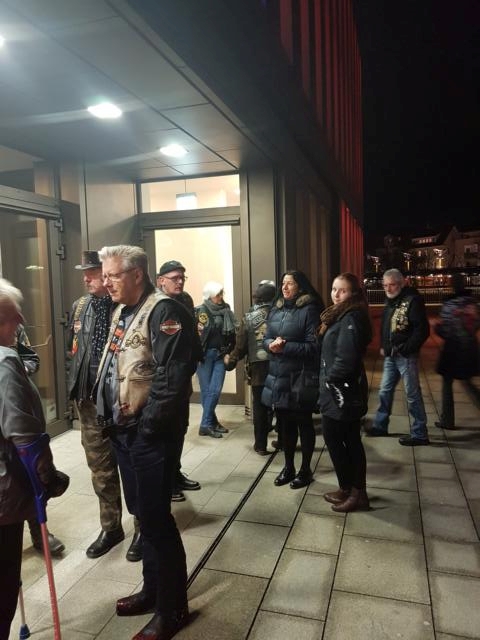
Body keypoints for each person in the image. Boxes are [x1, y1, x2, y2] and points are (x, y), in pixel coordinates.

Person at [96, 245, 197, 640]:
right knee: (143, 515)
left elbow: (173, 376)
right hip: (123, 431)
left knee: (157, 520)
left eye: (113, 275)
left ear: (137, 274)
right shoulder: (123, 310)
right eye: (105, 275)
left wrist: (148, 428)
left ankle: (173, 610)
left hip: (148, 434)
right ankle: (152, 590)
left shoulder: (164, 310)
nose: (106, 282)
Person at [0, 278, 69, 640]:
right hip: (5, 494)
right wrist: (48, 479)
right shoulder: (4, 364)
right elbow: (25, 439)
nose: (23, 320)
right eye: (14, 316)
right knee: (4, 583)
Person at [67, 251, 142, 561]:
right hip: (89, 402)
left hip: (121, 401)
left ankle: (143, 527)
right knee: (100, 467)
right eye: (85, 272)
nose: (87, 278)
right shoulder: (80, 306)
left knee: (134, 466)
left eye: (94, 272)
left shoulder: (129, 306)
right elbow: (73, 350)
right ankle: (111, 527)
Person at [262, 270, 324, 488]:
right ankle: (288, 467)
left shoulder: (310, 309)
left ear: (300, 286)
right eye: (283, 283)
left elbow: (313, 346)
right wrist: (270, 345)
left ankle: (305, 470)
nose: (285, 287)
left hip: (300, 377)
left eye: (290, 283)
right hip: (279, 376)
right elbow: (266, 337)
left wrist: (285, 347)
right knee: (285, 426)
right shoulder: (276, 309)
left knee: (303, 424)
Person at [318, 273, 372, 512]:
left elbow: (346, 358)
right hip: (335, 388)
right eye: (334, 289)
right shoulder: (339, 315)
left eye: (342, 290)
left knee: (347, 440)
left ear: (353, 293)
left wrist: (331, 379)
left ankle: (358, 493)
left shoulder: (351, 317)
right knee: (340, 439)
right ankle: (347, 487)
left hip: (342, 390)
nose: (336, 294)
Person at [14, 325, 66, 556]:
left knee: (29, 472)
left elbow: (31, 360)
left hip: (14, 408)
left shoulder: (11, 325)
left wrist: (14, 370)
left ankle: (40, 532)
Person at [365, 268, 430, 445]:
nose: (388, 288)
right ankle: (380, 425)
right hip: (391, 356)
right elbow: (385, 327)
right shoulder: (391, 301)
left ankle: (420, 433)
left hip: (406, 356)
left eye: (392, 285)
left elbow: (422, 330)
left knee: (412, 394)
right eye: (385, 285)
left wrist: (407, 349)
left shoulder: (412, 301)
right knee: (384, 391)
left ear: (401, 284)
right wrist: (384, 346)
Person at [156, 259, 202, 501]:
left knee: (180, 428)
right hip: (164, 381)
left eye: (182, 278)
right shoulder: (156, 303)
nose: (180, 282)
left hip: (183, 376)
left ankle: (175, 472)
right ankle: (166, 483)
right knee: (165, 432)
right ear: (161, 280)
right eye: (175, 278)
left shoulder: (185, 300)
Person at [224, 280, 276, 455]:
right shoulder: (281, 314)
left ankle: (260, 445)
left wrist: (230, 361)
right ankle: (283, 441)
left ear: (256, 298)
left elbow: (240, 346)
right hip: (279, 366)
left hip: (258, 368)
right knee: (281, 406)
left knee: (260, 407)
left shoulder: (249, 318)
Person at [434, 273, 480, 429]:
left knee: (447, 383)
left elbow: (446, 330)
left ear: (452, 285)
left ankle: (447, 420)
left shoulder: (450, 304)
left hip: (453, 349)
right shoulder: (473, 303)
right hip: (470, 347)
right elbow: (476, 324)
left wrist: (437, 328)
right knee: (468, 382)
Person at [195, 281, 237, 438]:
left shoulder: (226, 311)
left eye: (221, 293)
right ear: (209, 296)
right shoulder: (199, 311)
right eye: (217, 294)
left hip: (220, 354)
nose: (220, 297)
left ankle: (206, 424)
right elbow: (195, 336)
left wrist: (230, 352)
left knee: (215, 390)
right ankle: (209, 423)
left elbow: (232, 334)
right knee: (207, 392)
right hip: (204, 356)